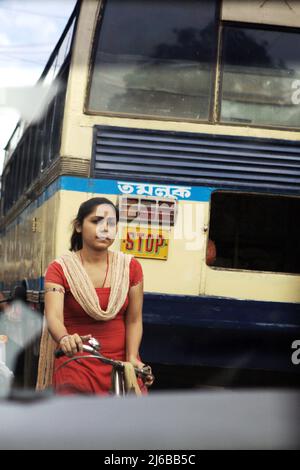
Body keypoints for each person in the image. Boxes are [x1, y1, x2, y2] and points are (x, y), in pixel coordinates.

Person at [36, 197, 153, 395]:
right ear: (79, 226)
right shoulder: (60, 269)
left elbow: (134, 319)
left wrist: (133, 357)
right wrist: (64, 339)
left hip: (120, 364)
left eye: (111, 223)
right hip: (76, 361)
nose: (104, 229)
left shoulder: (130, 267)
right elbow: (53, 317)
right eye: (96, 221)